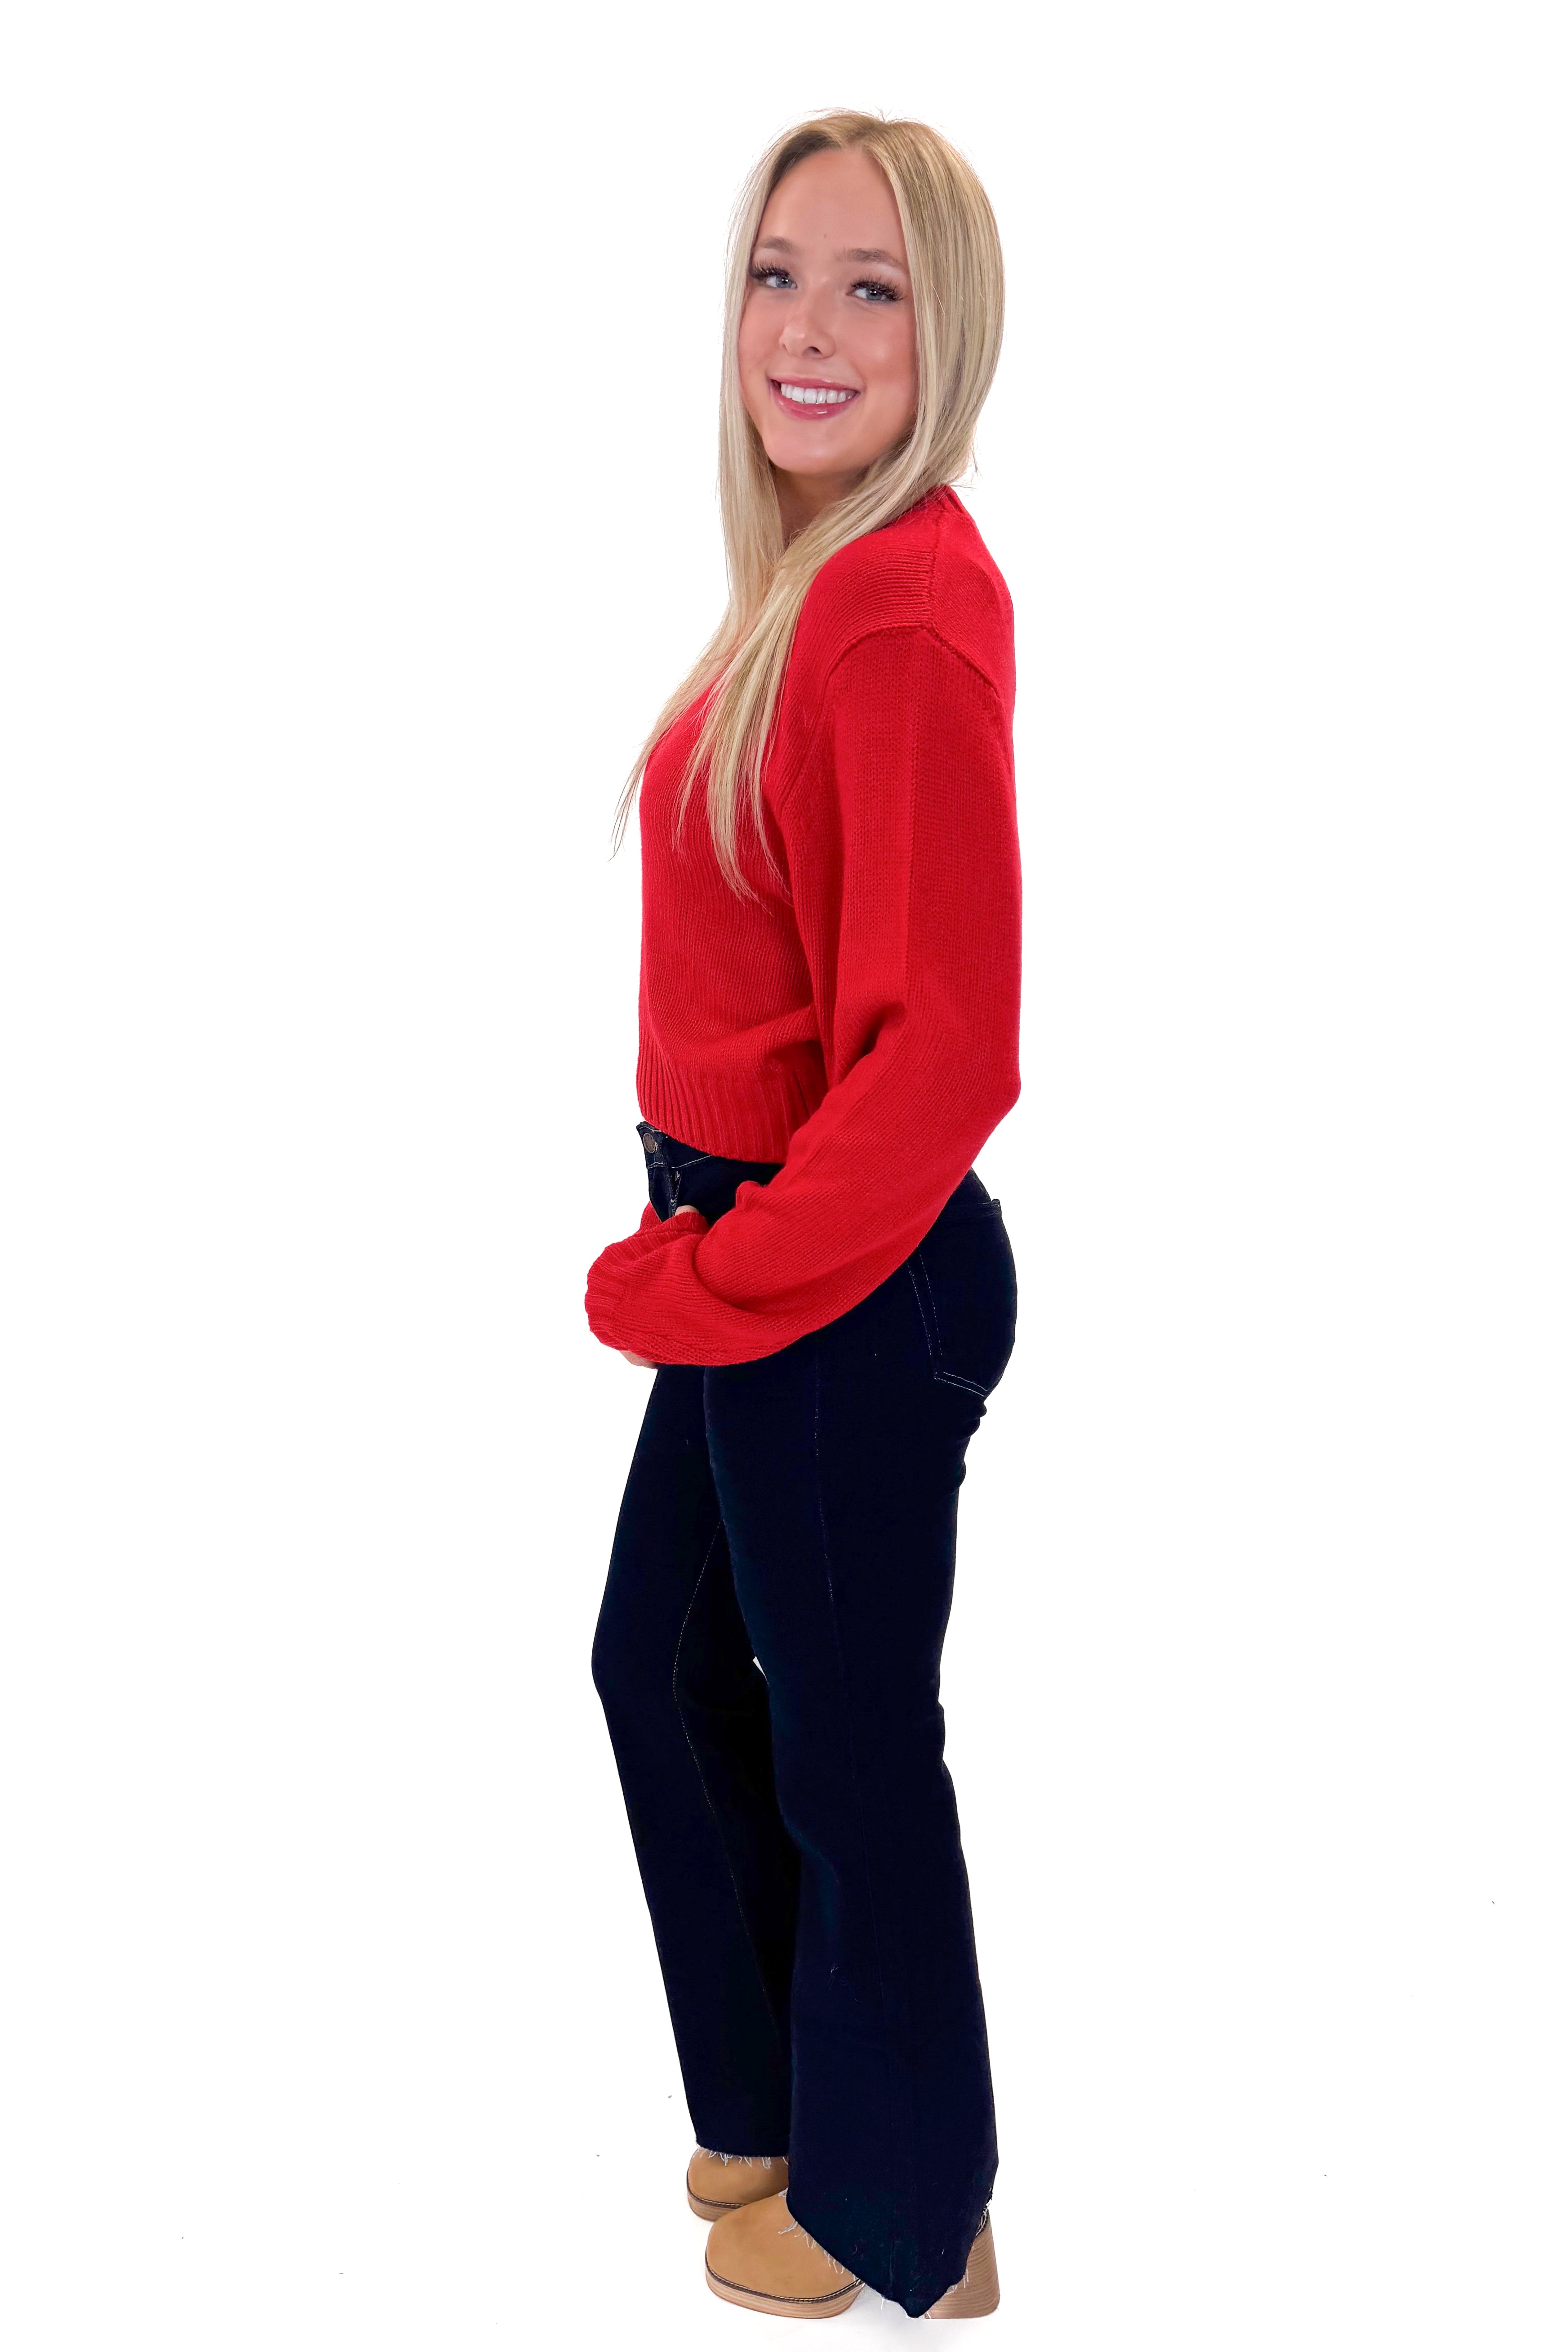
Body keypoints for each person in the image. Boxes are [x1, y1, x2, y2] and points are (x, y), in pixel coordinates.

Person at [584, 108, 1021, 2322]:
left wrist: (716, 1272)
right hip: (764, 1245)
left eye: (872, 284)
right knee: (660, 1662)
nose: (812, 327)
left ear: (947, 331)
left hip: (837, 1259)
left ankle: (911, 2219)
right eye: (778, 272)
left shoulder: (900, 613)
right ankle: (772, 2123)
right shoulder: (818, 589)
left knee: (850, 1743)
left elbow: (944, 1053)